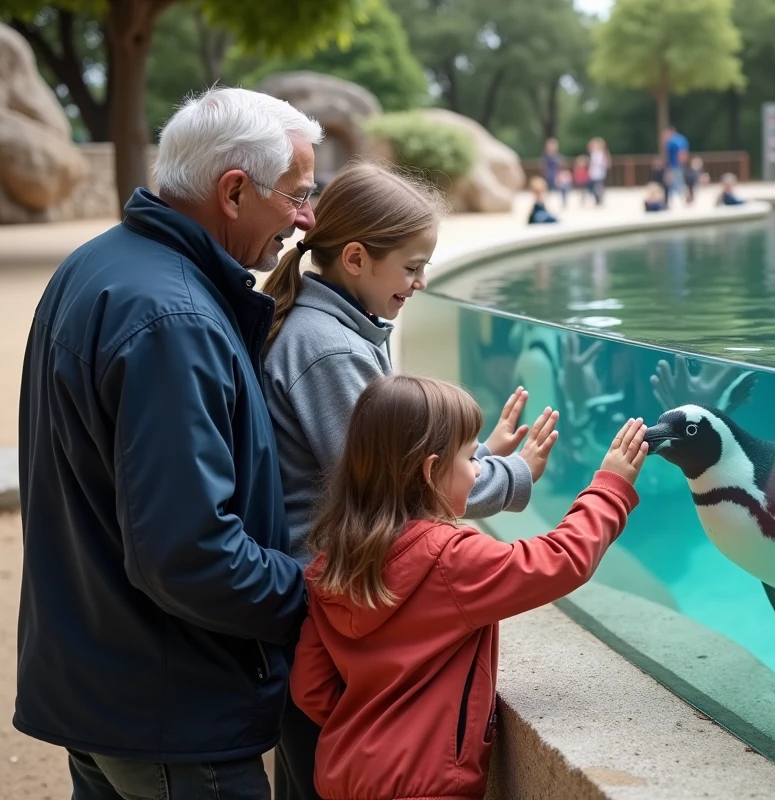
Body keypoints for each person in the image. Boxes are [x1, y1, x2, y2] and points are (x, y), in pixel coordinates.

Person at [16, 86, 322, 799]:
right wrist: (317, 594)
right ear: (235, 191)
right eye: (298, 195)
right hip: (174, 716)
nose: (306, 220)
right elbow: (189, 554)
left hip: (103, 685)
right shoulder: (173, 319)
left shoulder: (97, 266)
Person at [261, 159, 556, 799]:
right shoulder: (329, 348)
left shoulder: (341, 327)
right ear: (358, 258)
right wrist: (509, 476)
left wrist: (471, 459)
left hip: (337, 593)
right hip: (335, 596)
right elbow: (396, 484)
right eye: (413, 267)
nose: (421, 282)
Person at [289, 375, 647, 800]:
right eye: (470, 458)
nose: (480, 468)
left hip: (342, 776)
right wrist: (609, 488)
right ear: (429, 471)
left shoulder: (329, 565)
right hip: (428, 786)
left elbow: (310, 687)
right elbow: (562, 560)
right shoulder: (449, 560)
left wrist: (374, 728)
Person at [663, 125, 690, 205]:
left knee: (675, 183)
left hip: (675, 165)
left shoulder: (672, 141)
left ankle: (685, 198)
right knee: (677, 183)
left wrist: (668, 168)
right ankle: (673, 201)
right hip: (680, 165)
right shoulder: (682, 139)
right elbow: (684, 153)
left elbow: (678, 154)